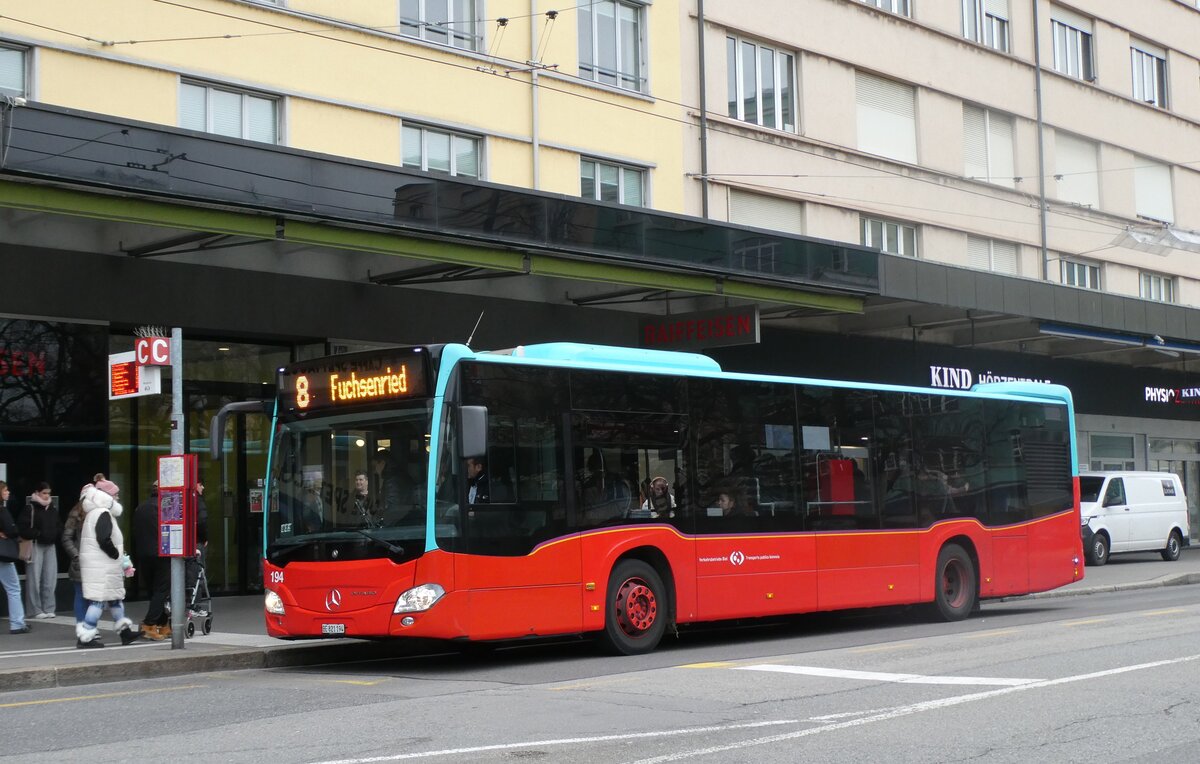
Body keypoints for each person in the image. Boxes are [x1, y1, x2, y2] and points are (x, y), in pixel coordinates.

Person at [77, 479, 141, 648]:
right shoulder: (103, 512)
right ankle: (86, 636)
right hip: (103, 565)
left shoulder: (94, 512)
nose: (118, 496)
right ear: (106, 496)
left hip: (99, 564)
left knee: (114, 598)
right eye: (115, 494)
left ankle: (125, 632)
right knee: (98, 600)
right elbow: (103, 539)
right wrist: (115, 554)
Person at [61, 474, 105, 627]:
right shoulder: (77, 514)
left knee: (91, 597)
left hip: (91, 560)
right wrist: (76, 556)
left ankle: (87, 627)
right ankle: (85, 627)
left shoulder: (98, 514)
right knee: (83, 595)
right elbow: (66, 538)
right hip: (82, 561)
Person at [133, 482, 171, 640]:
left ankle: (163, 623)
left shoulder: (140, 507)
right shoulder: (166, 507)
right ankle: (149, 624)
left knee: (153, 590)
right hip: (162, 553)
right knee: (161, 590)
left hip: (144, 554)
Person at [18, 481, 60, 620]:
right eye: (44, 493)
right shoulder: (30, 508)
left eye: (48, 493)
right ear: (37, 493)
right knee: (34, 578)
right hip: (35, 544)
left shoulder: (52, 508)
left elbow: (59, 524)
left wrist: (55, 534)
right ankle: (34, 610)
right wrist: (37, 534)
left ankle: (48, 608)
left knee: (50, 578)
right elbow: (23, 528)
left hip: (50, 545)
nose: (47, 496)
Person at [0, 481, 30, 634]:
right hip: (3, 555)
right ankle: (17, 623)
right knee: (13, 588)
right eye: (5, 490)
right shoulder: (2, 509)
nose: (8, 492)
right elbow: (11, 529)